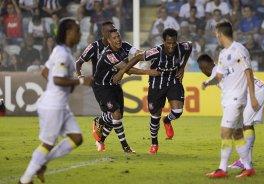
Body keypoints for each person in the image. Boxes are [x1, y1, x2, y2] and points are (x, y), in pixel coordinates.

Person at [19, 18, 92, 184]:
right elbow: (57, 80)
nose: (80, 34)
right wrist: (80, 81)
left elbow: (45, 72)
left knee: (76, 138)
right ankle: (25, 180)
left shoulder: (61, 50)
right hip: (53, 106)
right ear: (68, 32)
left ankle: (41, 164)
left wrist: (63, 87)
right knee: (48, 143)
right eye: (77, 31)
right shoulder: (61, 53)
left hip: (60, 105)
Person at [76, 21, 159, 152]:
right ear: (108, 39)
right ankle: (124, 146)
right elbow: (129, 70)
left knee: (117, 116)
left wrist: (150, 56)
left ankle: (101, 138)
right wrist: (149, 72)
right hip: (101, 86)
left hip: (115, 85)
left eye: (118, 36)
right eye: (114, 37)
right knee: (115, 113)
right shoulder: (108, 54)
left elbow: (138, 53)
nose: (118, 39)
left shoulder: (124, 45)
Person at [113, 28, 192, 154]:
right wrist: (122, 72)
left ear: (176, 41)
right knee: (155, 116)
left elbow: (190, 46)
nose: (171, 46)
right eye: (168, 43)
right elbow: (138, 57)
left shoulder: (182, 47)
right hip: (157, 83)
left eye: (173, 43)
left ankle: (167, 120)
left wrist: (182, 67)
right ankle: (154, 143)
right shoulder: (156, 51)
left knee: (177, 111)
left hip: (173, 81)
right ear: (164, 41)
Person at [202, 21, 257, 178]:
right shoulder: (223, 53)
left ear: (220, 34)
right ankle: (248, 168)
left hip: (236, 98)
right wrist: (208, 82)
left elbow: (249, 72)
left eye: (216, 34)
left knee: (225, 132)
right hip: (227, 99)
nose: (216, 36)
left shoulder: (239, 50)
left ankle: (222, 169)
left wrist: (252, 97)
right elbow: (219, 76)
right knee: (237, 134)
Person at [197, 53, 264, 170]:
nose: (202, 71)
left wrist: (207, 83)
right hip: (261, 88)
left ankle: (245, 162)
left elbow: (221, 83)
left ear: (205, 66)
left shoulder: (217, 72)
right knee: (247, 124)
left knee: (245, 124)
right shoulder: (222, 67)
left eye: (202, 68)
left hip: (257, 91)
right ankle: (246, 161)